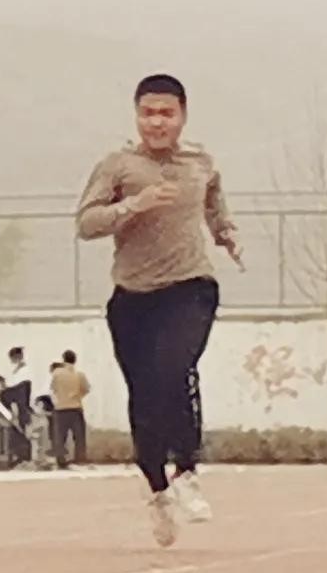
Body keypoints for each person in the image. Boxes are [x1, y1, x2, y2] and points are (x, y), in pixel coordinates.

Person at [77, 73, 240, 545]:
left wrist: (225, 232)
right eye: (148, 113)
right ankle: (157, 489)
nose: (157, 122)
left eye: (166, 113)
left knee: (176, 368)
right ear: (136, 116)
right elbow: (86, 223)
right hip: (133, 298)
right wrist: (135, 204)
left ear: (183, 116)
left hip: (190, 287)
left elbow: (213, 201)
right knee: (145, 399)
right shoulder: (119, 166)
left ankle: (187, 470)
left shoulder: (200, 162)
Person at [49, 351, 90, 468]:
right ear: (75, 360)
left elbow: (52, 388)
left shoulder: (57, 373)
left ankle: (61, 461)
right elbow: (86, 389)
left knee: (60, 436)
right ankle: (80, 459)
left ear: (63, 359)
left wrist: (59, 398)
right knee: (79, 436)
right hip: (76, 407)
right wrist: (78, 396)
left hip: (60, 408)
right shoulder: (80, 375)